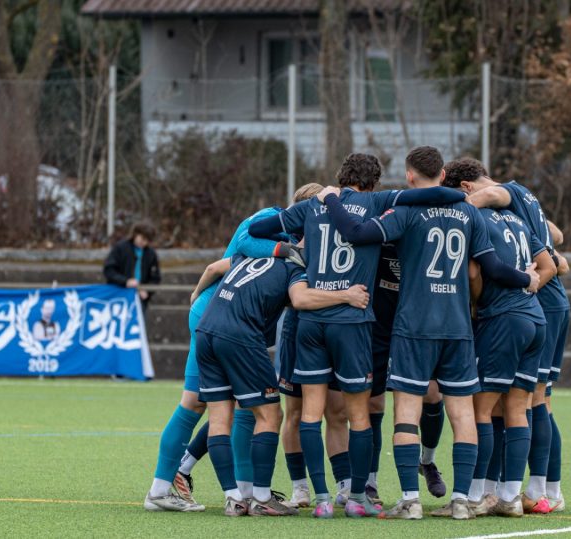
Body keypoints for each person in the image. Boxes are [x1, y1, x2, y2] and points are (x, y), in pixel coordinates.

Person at [320, 146, 540, 520]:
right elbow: (486, 266)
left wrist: (330, 201)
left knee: (406, 410)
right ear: (442, 174)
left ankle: (410, 499)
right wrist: (526, 279)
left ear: (409, 177)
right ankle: (460, 500)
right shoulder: (469, 212)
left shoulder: (404, 212)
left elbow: (357, 234)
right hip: (457, 327)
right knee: (463, 414)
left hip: (414, 325)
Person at [248, 153, 465, 518]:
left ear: (340, 176)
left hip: (312, 323)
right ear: (374, 181)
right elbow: (439, 197)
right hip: (353, 322)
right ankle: (358, 498)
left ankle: (320, 500)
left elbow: (258, 230)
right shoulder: (377, 201)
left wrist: (295, 239)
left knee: (310, 415)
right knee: (360, 415)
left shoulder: (311, 208)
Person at [142, 185, 318, 513]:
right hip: (224, 315)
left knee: (240, 408)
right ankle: (166, 485)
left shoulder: (288, 240)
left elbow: (219, 265)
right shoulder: (271, 220)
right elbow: (245, 242)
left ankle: (241, 492)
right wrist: (289, 252)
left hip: (223, 315)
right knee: (198, 404)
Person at [193, 252, 370, 517]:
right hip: (240, 334)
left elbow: (212, 267)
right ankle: (262, 498)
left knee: (219, 418)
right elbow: (300, 299)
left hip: (206, 329)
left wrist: (195, 295)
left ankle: (233, 497)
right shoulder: (295, 268)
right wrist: (347, 295)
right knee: (271, 414)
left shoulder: (252, 254)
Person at [442, 158, 557, 517]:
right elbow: (552, 263)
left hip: (502, 319)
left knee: (482, 408)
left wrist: (477, 303)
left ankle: (476, 495)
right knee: (517, 408)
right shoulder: (519, 217)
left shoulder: (474, 215)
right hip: (535, 318)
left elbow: (476, 269)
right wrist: (532, 282)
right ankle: (509, 498)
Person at [467, 176, 571, 514]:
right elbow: (557, 242)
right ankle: (515, 492)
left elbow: (475, 272)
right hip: (538, 311)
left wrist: (526, 281)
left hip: (521, 309)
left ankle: (528, 491)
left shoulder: (501, 195)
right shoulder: (522, 207)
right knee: (520, 403)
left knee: (519, 402)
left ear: (468, 186)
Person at [104, 221, 161, 306]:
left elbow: (155, 278)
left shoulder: (151, 254)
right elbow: (109, 270)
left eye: (147, 240)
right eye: (142, 238)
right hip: (118, 295)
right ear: (135, 234)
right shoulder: (120, 248)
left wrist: (147, 291)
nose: (144, 242)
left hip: (139, 299)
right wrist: (125, 281)